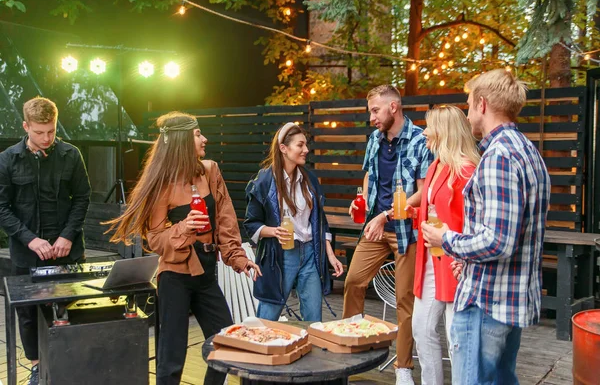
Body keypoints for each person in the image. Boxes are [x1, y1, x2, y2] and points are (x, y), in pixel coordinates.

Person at [104, 112, 261, 385]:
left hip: (206, 273)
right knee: (172, 355)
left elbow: (225, 219)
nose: (205, 138)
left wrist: (237, 256)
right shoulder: (162, 184)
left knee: (226, 343)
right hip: (175, 276)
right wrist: (184, 228)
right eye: (198, 134)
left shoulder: (210, 171)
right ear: (181, 142)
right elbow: (155, 241)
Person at [422, 69, 551, 384]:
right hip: (508, 300)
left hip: (487, 303)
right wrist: (467, 259)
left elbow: (498, 242)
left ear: (482, 104)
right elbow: (507, 232)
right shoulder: (527, 151)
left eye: (468, 105)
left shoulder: (498, 157)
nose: (467, 115)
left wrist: (447, 239)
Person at [344, 85, 433, 385]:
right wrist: (363, 201)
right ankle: (351, 349)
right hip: (376, 227)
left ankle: (403, 368)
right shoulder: (374, 139)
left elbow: (424, 192)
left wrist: (386, 215)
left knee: (404, 299)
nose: (371, 117)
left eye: (375, 110)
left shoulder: (421, 140)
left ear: (393, 107)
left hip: (405, 230)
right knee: (353, 281)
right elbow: (369, 175)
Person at [0, 96, 91, 385]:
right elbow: (2, 207)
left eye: (51, 131)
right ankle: (38, 367)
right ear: (26, 126)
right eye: (39, 132)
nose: (46, 138)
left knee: (69, 309)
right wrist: (30, 240)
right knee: (27, 315)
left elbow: (83, 198)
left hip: (67, 251)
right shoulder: (7, 159)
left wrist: (67, 235)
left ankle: (68, 364)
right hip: (27, 254)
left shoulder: (71, 154)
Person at [405, 105, 479, 385]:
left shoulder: (467, 171)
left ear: (445, 131)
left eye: (430, 126)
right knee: (422, 330)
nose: (424, 131)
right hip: (431, 261)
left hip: (456, 266)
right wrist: (414, 213)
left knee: (456, 338)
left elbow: (472, 223)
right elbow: (435, 209)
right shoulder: (436, 166)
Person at [244, 122, 343, 322]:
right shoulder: (263, 182)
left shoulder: (310, 180)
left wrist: (330, 255)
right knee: (268, 317)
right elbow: (251, 224)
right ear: (283, 148)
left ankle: (311, 352)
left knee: (313, 318)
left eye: (306, 145)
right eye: (300, 145)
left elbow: (319, 221)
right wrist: (274, 231)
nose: (306, 150)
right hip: (280, 255)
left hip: (309, 254)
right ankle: (260, 351)